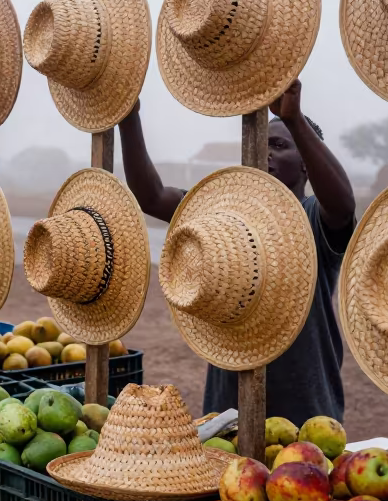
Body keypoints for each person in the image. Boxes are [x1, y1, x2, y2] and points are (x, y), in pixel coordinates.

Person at [118, 79, 356, 425]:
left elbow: (343, 206)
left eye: (278, 146)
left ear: (307, 161)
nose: (266, 153)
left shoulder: (313, 217)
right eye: (261, 145)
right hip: (229, 403)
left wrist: (294, 120)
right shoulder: (226, 221)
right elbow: (151, 196)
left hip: (306, 407)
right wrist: (129, 119)